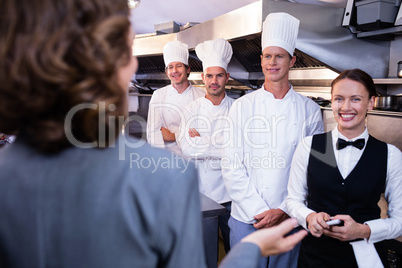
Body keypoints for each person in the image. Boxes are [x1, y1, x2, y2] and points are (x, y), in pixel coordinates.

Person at [0, 1, 307, 267]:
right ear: (123, 64)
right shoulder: (167, 180)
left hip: (243, 201)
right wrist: (250, 251)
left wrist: (195, 142)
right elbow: (183, 143)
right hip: (224, 196)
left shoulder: (7, 174)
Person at [222, 12, 324, 268]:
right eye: (268, 56)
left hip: (289, 216)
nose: (272, 62)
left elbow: (317, 167)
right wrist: (259, 209)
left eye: (279, 56)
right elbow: (231, 165)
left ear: (292, 61)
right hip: (247, 217)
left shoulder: (309, 110)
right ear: (261, 60)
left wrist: (283, 209)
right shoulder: (242, 107)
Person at [285, 69, 402, 268]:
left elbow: (400, 220)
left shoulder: (390, 154)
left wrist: (364, 230)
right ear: (332, 101)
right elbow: (292, 201)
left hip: (366, 259)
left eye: (355, 99)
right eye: (339, 99)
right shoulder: (309, 146)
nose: (346, 107)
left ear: (371, 102)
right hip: (315, 257)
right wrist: (310, 217)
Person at [178, 38, 234, 254]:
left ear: (227, 77)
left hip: (232, 195)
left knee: (234, 253)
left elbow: (240, 152)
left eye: (219, 75)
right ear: (203, 78)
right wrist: (224, 147)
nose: (214, 81)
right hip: (202, 194)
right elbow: (187, 148)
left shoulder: (238, 109)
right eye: (209, 76)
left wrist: (203, 141)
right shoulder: (190, 110)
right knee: (204, 254)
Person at [146, 40, 205, 156]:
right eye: (170, 67)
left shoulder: (202, 96)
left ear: (188, 69)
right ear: (167, 72)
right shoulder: (158, 95)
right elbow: (153, 134)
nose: (174, 71)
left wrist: (173, 136)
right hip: (167, 159)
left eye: (179, 66)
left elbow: (203, 134)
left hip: (194, 160)